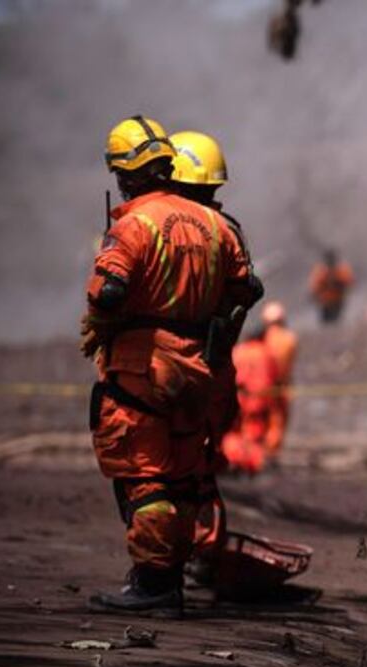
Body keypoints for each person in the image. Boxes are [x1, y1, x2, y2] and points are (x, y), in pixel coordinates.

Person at [82, 116, 255, 615]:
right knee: (182, 476)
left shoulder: (134, 223)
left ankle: (155, 584)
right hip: (198, 365)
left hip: (143, 367)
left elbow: (108, 290)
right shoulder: (218, 225)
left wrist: (99, 324)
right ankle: (170, 576)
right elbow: (246, 289)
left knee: (144, 476)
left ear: (126, 173)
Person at [167, 130, 264, 566]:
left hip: (167, 366)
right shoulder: (227, 231)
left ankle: (164, 563)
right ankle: (201, 554)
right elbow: (247, 289)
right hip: (216, 368)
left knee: (155, 469)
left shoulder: (156, 226)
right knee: (202, 468)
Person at [220, 331, 282, 475]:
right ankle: (252, 463)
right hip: (260, 398)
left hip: (240, 396)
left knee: (235, 430)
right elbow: (275, 375)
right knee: (255, 431)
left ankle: (234, 459)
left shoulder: (238, 351)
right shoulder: (266, 352)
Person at [260, 301, 298, 455]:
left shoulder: (263, 339)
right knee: (278, 421)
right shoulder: (289, 339)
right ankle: (270, 453)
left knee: (262, 420)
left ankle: (262, 452)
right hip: (282, 386)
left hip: (262, 387)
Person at [308, 248, 354, 324]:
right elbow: (315, 287)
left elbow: (349, 283)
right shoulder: (321, 271)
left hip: (337, 301)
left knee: (336, 321)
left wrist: (337, 282)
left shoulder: (341, 270)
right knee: (326, 322)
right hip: (325, 302)